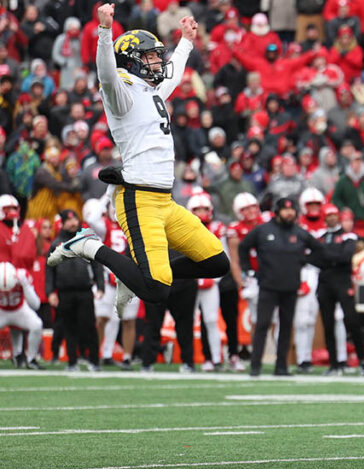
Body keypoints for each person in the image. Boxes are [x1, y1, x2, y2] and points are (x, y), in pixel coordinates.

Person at [46, 4, 229, 319]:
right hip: (139, 198)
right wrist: (105, 32)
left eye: (158, 55)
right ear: (131, 61)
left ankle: (132, 272)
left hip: (165, 201)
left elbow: (173, 71)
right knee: (157, 291)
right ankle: (89, 246)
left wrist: (186, 41)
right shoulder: (121, 92)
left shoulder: (150, 89)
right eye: (150, 56)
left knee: (216, 263)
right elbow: (105, 72)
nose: (158, 61)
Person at [238, 197, 324, 377]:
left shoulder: (299, 233)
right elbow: (243, 247)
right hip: (268, 285)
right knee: (262, 324)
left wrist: (304, 262)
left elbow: (318, 249)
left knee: (286, 327)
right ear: (277, 211)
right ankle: (255, 366)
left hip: (290, 287)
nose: (289, 213)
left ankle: (281, 366)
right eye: (286, 210)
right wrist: (248, 270)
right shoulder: (263, 230)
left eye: (292, 210)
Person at [83, 197, 139, 370]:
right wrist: (107, 195)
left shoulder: (135, 226)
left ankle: (127, 357)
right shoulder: (105, 225)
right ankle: (96, 354)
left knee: (128, 321)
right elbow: (91, 219)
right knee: (102, 319)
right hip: (109, 280)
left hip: (129, 280)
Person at [315, 204, 364, 376]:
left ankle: (362, 361)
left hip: (342, 282)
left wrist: (326, 256)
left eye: (334, 215)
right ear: (324, 218)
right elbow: (312, 257)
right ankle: (334, 364)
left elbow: (346, 257)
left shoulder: (348, 235)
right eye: (328, 215)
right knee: (328, 323)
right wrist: (332, 257)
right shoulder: (321, 236)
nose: (331, 218)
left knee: (352, 321)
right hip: (325, 283)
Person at [46, 209, 103, 371]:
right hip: (65, 292)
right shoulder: (56, 244)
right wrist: (50, 292)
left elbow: (96, 264)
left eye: (74, 219)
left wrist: (100, 286)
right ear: (62, 223)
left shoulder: (86, 241)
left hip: (85, 290)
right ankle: (72, 362)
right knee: (68, 328)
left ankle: (94, 361)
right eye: (69, 220)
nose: (73, 222)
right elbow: (49, 270)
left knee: (89, 326)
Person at [226, 192, 267, 364]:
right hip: (252, 277)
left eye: (253, 207)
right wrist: (240, 281)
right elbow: (234, 260)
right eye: (245, 208)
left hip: (271, 274)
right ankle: (257, 355)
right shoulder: (236, 230)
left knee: (274, 320)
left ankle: (279, 356)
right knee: (257, 319)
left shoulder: (268, 222)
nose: (251, 211)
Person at [187, 194, 226, 372]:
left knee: (211, 320)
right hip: (191, 280)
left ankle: (216, 358)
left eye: (204, 209)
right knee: (188, 320)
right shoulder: (184, 228)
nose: (201, 213)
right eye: (198, 210)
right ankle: (190, 360)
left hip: (211, 281)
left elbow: (224, 256)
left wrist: (215, 277)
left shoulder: (217, 228)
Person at [294, 188, 327, 373]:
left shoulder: (328, 224)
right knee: (302, 320)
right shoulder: (298, 227)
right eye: (310, 205)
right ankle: (302, 358)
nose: (314, 208)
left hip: (321, 274)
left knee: (313, 317)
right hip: (303, 272)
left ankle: (308, 357)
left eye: (317, 205)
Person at [0, 261, 43, 369]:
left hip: (19, 309)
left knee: (37, 325)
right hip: (2, 311)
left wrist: (26, 285)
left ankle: (31, 359)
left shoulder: (22, 276)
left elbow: (35, 304)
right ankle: (18, 355)